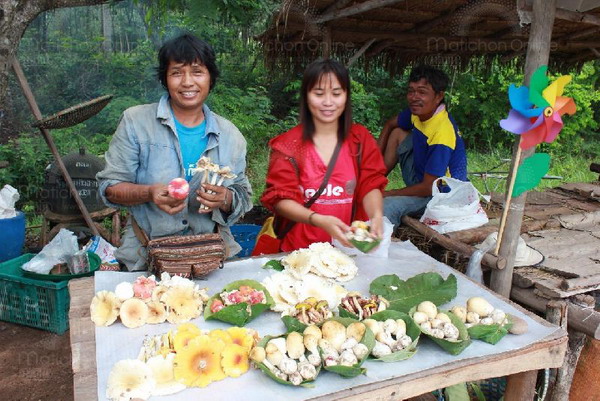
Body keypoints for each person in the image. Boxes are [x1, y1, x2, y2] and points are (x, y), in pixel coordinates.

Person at [97, 34, 252, 271]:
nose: (187, 82)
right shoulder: (136, 122)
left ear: (211, 78)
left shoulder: (231, 136)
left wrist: (225, 198)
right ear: (165, 79)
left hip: (211, 258)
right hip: (145, 257)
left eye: (197, 72)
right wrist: (149, 193)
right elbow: (109, 187)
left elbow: (243, 195)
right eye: (177, 72)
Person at [260, 58, 388, 252]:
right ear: (306, 96)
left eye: (336, 93)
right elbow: (280, 199)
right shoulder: (287, 146)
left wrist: (376, 216)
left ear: (346, 96)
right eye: (319, 94)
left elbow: (370, 183)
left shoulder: (360, 140)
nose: (328, 102)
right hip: (297, 251)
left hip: (346, 251)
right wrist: (318, 220)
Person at [378, 65, 467, 227]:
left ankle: (381, 242)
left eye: (422, 92)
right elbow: (390, 124)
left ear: (439, 96)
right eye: (411, 91)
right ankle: (373, 181)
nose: (414, 97)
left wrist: (387, 194)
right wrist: (371, 172)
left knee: (385, 206)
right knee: (398, 132)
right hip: (422, 176)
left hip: (441, 194)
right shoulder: (418, 113)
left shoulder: (442, 132)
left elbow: (429, 187)